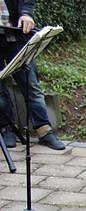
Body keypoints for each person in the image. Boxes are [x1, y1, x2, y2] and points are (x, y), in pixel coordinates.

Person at [0, 0, 65, 150]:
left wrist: (26, 14)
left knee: (31, 85)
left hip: (16, 37)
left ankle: (44, 131)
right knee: (0, 91)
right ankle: (8, 129)